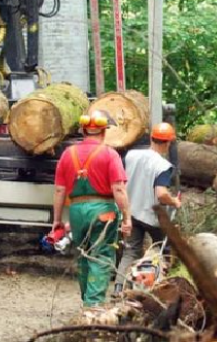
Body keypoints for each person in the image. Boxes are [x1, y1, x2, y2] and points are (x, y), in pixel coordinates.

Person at [52, 110, 132, 309]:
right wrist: (127, 218)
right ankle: (93, 305)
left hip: (77, 211)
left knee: (83, 254)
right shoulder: (109, 154)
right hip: (102, 210)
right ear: (104, 132)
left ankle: (87, 300)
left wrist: (56, 220)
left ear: (83, 131)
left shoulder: (67, 154)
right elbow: (119, 188)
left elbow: (60, 190)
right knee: (102, 255)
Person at [113, 122, 180, 295]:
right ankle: (166, 287)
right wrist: (174, 201)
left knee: (130, 251)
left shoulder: (131, 155)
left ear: (151, 138)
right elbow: (161, 194)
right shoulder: (163, 166)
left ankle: (118, 288)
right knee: (167, 249)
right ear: (168, 143)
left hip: (131, 212)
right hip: (151, 216)